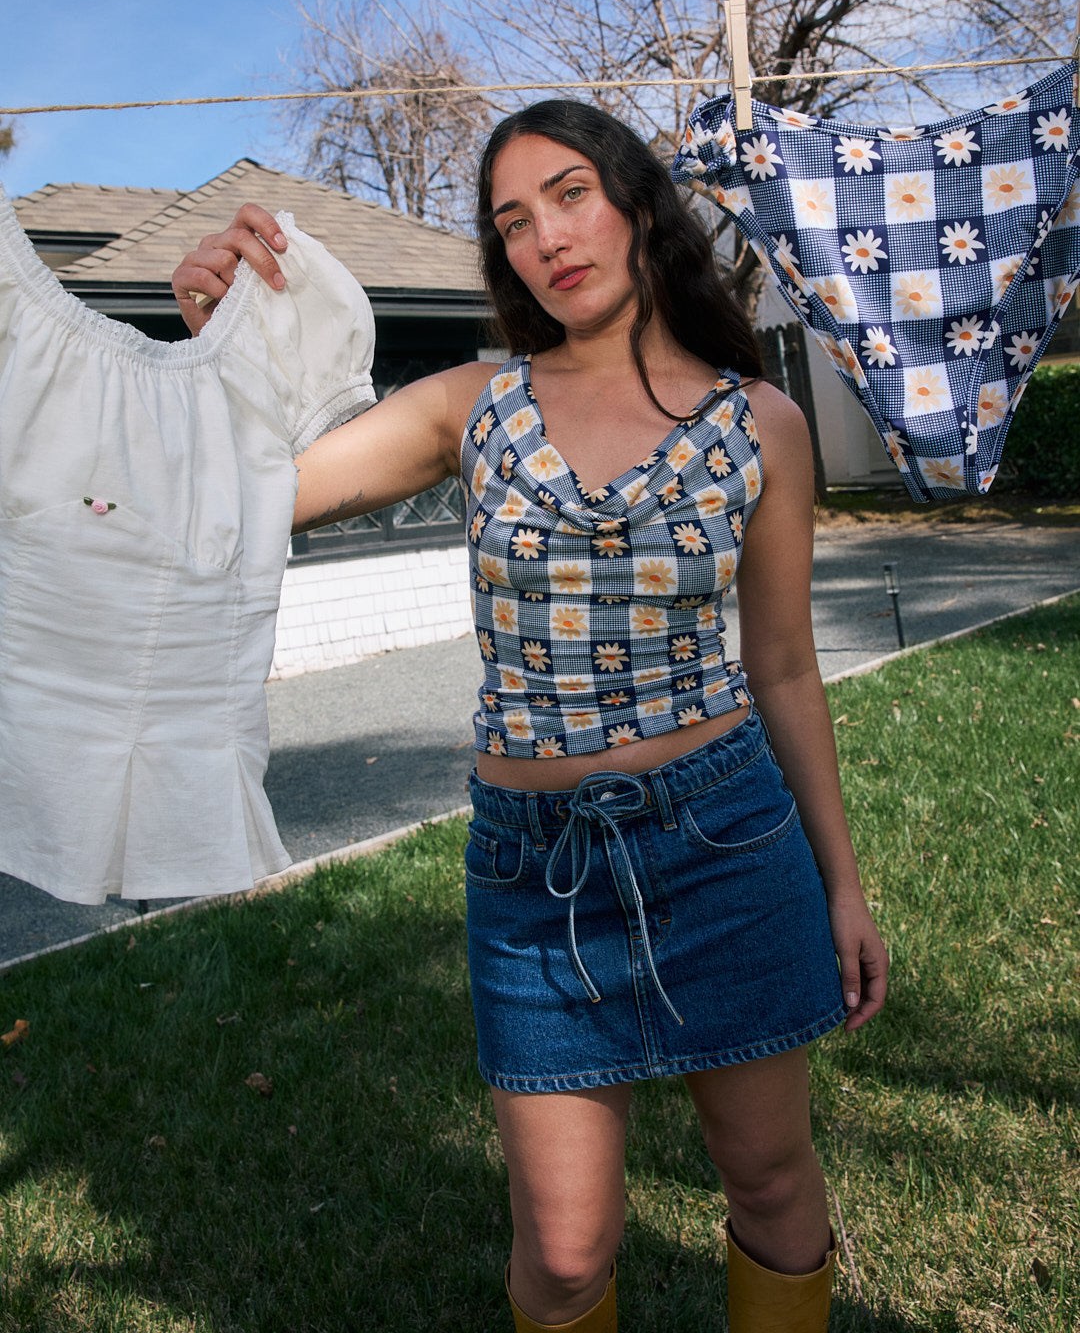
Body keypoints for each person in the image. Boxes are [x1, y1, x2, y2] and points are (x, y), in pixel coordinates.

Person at [172, 100, 888, 1333]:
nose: (545, 237)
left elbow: (780, 665)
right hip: (534, 875)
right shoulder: (473, 405)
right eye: (512, 221)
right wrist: (221, 347)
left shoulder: (757, 423)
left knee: (772, 1184)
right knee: (562, 1257)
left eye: (568, 195)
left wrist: (842, 884)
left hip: (727, 843)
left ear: (638, 205)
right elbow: (258, 496)